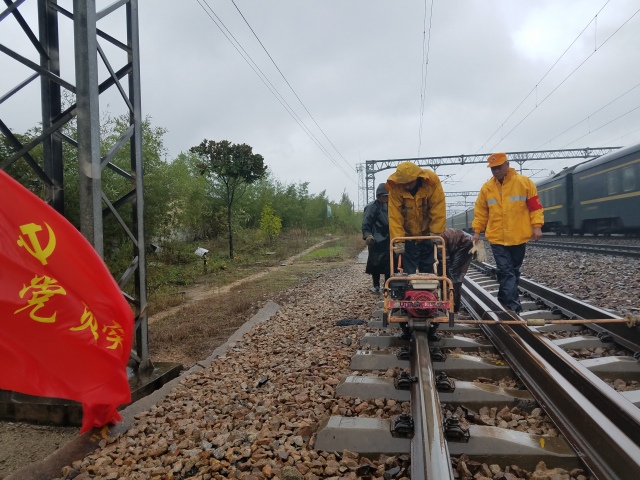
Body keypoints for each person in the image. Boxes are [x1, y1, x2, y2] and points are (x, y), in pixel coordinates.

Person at [472, 152, 544, 314]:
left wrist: (537, 226)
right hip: (497, 237)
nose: (495, 171)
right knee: (506, 270)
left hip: (519, 236)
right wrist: (477, 231)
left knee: (513, 271)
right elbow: (481, 212)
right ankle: (513, 307)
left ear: (507, 165)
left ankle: (503, 299)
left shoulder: (524, 183)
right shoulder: (487, 188)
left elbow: (535, 206)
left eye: (498, 167)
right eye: (492, 169)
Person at [385, 162, 446, 275]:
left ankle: (428, 290)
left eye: (409, 183)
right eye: (404, 183)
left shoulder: (431, 182)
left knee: (428, 267)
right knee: (408, 271)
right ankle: (409, 290)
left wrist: (435, 233)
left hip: (427, 233)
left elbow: (438, 207)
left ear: (418, 178)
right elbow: (395, 217)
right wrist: (399, 241)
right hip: (408, 235)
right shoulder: (395, 187)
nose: (406, 186)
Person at [438, 228, 486, 313]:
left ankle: (454, 306)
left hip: (464, 244)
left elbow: (445, 260)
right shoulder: (435, 237)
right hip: (459, 244)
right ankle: (451, 301)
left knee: (453, 273)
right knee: (451, 273)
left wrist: (442, 279)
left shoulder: (438, 240)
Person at [362, 183, 391, 294]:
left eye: (387, 196)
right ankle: (376, 285)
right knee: (375, 263)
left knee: (389, 264)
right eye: (383, 196)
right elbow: (366, 222)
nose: (385, 198)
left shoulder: (391, 206)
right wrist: (368, 235)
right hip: (376, 239)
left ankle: (387, 285)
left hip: (389, 239)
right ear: (378, 196)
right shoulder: (372, 206)